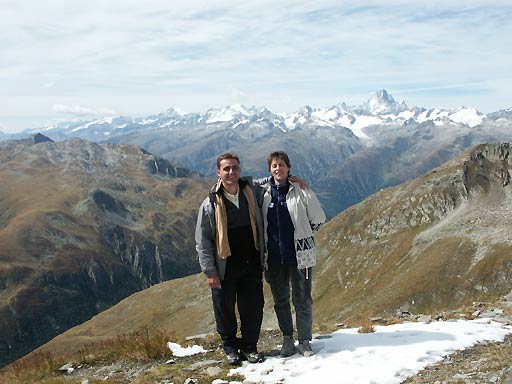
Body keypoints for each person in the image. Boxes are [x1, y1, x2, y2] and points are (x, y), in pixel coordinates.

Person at [195, 152, 266, 365]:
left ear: (239, 170)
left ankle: (250, 347)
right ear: (218, 172)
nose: (231, 172)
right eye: (226, 169)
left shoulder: (251, 191)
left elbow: (274, 180)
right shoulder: (210, 204)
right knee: (224, 309)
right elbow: (203, 241)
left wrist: (292, 179)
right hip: (226, 265)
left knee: (253, 307)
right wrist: (210, 271)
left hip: (251, 262)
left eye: (234, 168)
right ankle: (230, 348)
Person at [261, 151, 326, 357]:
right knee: (280, 300)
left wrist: (304, 235)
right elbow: (241, 181)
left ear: (289, 168)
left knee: (302, 299)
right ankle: (287, 339)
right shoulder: (263, 193)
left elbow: (318, 218)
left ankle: (305, 340)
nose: (278, 168)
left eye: (281, 165)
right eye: (274, 166)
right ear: (269, 170)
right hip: (274, 258)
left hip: (300, 256)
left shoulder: (302, 191)